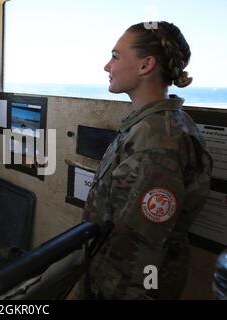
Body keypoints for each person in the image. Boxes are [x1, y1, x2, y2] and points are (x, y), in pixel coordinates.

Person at [79, 21, 212, 299]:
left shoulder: (156, 144)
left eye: (115, 57)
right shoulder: (157, 126)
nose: (107, 66)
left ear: (145, 65)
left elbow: (141, 249)